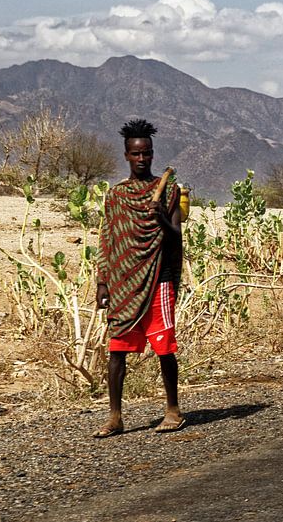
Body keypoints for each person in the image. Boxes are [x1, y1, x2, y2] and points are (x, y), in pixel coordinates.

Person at [93, 118, 185, 438]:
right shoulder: (116, 196)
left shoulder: (170, 190)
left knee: (164, 348)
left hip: (159, 278)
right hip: (122, 284)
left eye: (146, 153)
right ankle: (115, 417)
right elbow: (107, 240)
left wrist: (160, 217)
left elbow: (177, 238)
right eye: (136, 154)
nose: (142, 159)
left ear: (153, 153)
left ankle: (173, 410)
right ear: (126, 156)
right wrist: (102, 282)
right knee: (116, 349)